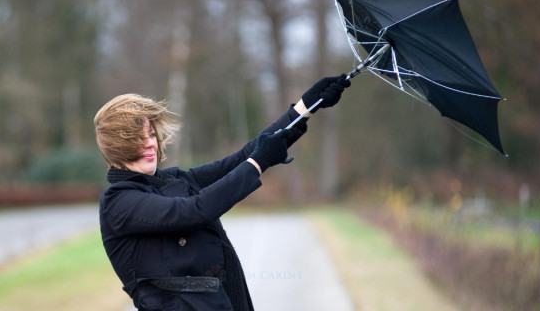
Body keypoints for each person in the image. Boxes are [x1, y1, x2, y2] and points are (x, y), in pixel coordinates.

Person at [95, 75, 350, 311]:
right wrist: (257, 164)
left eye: (151, 134)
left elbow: (241, 158)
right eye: (138, 139)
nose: (150, 142)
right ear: (118, 147)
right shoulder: (118, 202)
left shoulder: (172, 180)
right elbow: (194, 211)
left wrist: (304, 108)